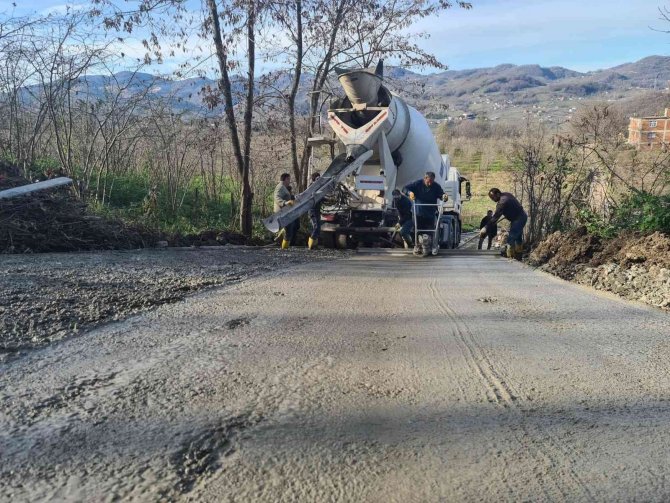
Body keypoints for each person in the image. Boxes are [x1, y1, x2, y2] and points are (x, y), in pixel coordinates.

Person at [403, 171, 446, 252]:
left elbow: (441, 195)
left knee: (432, 230)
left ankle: (433, 245)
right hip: (418, 212)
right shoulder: (417, 184)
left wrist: (444, 196)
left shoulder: (436, 186)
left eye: (432, 182)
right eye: (428, 182)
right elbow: (404, 188)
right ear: (425, 179)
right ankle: (417, 245)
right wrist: (410, 193)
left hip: (430, 212)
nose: (430, 184)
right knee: (416, 230)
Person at [482, 187, 527, 260]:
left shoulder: (502, 202)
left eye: (493, 197)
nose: (492, 199)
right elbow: (513, 206)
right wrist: (508, 214)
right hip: (520, 216)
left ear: (498, 194)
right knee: (518, 237)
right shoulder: (507, 194)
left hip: (519, 219)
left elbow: (495, 217)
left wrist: (486, 227)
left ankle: (511, 257)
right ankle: (519, 256)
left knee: (511, 238)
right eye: (491, 198)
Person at [274, 173, 298, 249]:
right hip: (282, 212)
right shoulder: (280, 187)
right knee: (289, 229)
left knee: (294, 226)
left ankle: (284, 243)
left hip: (286, 211)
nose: (289, 181)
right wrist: (285, 202)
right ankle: (284, 248)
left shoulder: (284, 187)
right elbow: (276, 197)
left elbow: (287, 197)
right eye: (289, 179)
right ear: (285, 179)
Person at [307, 172, 321, 250]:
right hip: (312, 210)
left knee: (317, 228)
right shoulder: (312, 187)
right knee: (316, 227)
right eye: (318, 178)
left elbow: (319, 197)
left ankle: (314, 245)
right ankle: (310, 245)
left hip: (316, 209)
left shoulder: (317, 187)